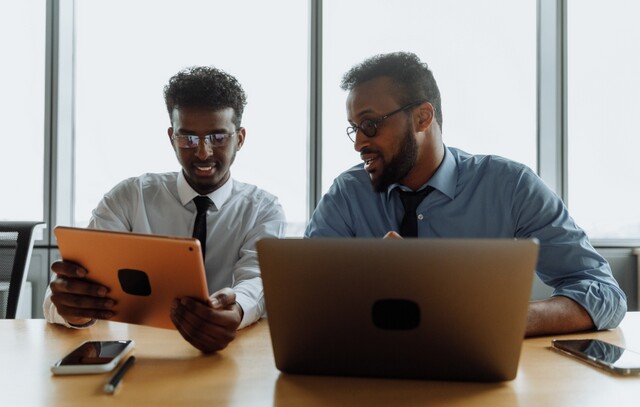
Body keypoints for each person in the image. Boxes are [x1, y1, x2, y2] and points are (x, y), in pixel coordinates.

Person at [305, 52, 626, 337]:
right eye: (354, 128)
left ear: (422, 117)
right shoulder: (348, 194)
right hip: (367, 373)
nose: (359, 143)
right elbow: (303, 294)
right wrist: (364, 279)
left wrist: (502, 318)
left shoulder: (510, 186)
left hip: (480, 375)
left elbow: (604, 293)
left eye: (370, 124)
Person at [44, 66, 286, 353]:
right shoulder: (130, 198)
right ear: (172, 137)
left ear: (240, 138)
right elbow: (66, 290)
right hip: (142, 354)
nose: (203, 153)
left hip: (230, 355)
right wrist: (73, 312)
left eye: (218, 138)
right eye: (188, 138)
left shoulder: (263, 210)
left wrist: (236, 312)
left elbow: (255, 283)